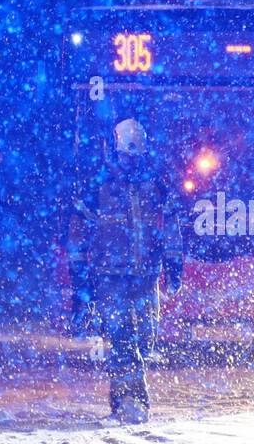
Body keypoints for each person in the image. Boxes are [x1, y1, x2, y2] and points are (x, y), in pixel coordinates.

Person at [68, 118, 183, 423]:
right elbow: (78, 234)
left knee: (146, 340)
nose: (130, 161)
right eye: (126, 155)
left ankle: (130, 402)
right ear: (115, 151)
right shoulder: (98, 186)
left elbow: (170, 223)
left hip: (146, 277)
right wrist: (80, 283)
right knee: (121, 341)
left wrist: (174, 263)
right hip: (110, 278)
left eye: (135, 156)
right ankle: (129, 404)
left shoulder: (155, 184)